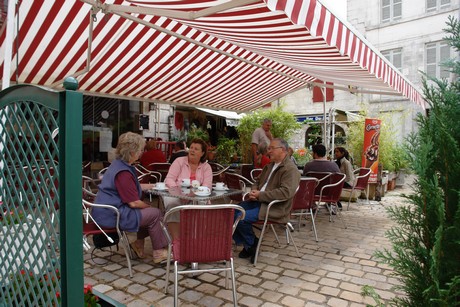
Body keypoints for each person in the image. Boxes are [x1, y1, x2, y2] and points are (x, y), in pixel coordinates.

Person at [92, 132, 168, 263]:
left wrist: (154, 185)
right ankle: (159, 252)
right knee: (155, 213)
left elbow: (134, 187)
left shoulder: (117, 164)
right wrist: (148, 206)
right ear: (132, 152)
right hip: (113, 215)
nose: (141, 153)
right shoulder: (123, 172)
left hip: (106, 211)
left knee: (147, 213)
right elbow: (134, 203)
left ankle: (138, 244)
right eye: (139, 150)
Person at [233, 138, 301, 263]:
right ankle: (250, 244)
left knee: (241, 218)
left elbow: (285, 192)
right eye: (269, 148)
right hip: (259, 201)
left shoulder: (290, 169)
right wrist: (254, 191)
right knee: (231, 212)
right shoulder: (270, 166)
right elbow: (257, 181)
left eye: (272, 148)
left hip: (274, 207)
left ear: (283, 150)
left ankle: (252, 245)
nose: (269, 151)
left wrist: (261, 195)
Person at [164, 138, 213, 237]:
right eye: (191, 148)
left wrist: (192, 195)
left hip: (196, 196)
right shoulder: (179, 161)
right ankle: (176, 241)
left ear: (202, 153)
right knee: (173, 204)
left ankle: (195, 237)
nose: (192, 150)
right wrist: (179, 194)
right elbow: (169, 179)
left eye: (196, 149)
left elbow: (207, 186)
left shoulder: (206, 167)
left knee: (203, 204)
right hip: (176, 194)